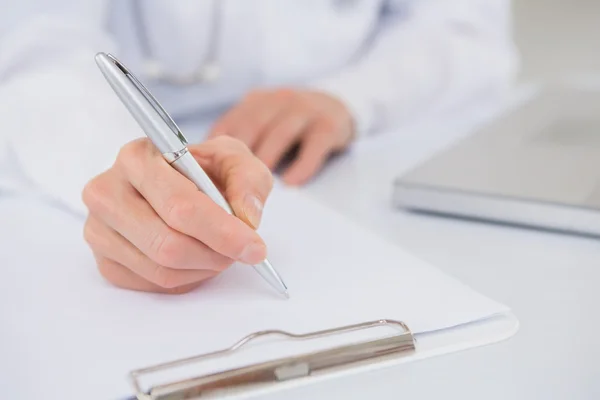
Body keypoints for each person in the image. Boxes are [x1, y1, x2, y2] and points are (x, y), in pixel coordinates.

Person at [0, 0, 518, 293]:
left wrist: (350, 99)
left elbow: (464, 30)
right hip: (126, 132)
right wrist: (120, 170)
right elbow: (37, 50)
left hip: (353, 156)